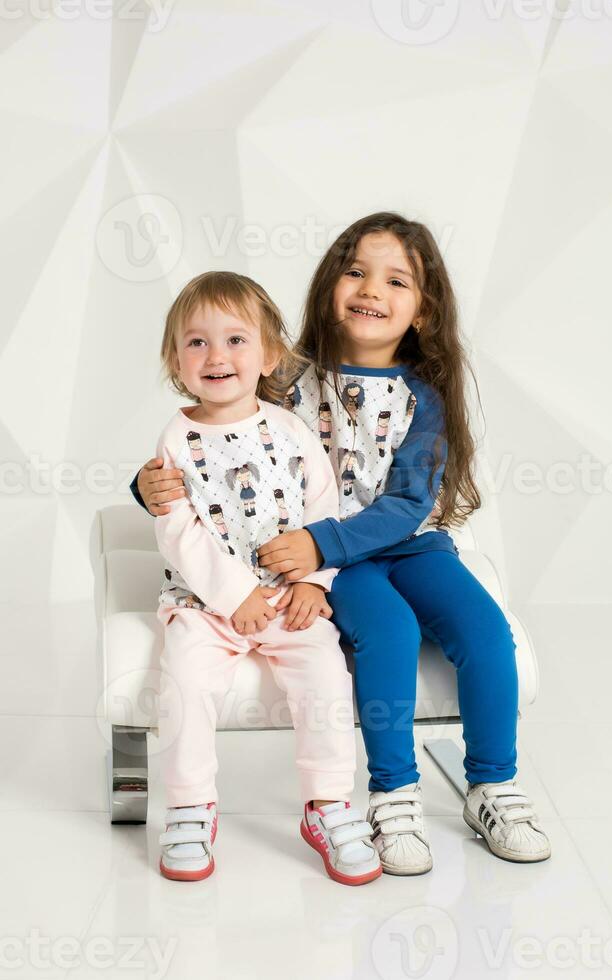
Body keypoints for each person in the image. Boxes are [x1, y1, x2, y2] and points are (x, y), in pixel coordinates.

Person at [132, 214, 551, 875]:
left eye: (396, 279)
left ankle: (493, 784)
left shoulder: (425, 398)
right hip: (332, 565)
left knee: (487, 632)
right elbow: (219, 433)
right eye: (355, 270)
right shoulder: (287, 375)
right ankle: (393, 795)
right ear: (331, 282)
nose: (370, 288)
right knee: (387, 635)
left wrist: (317, 544)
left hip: (396, 545)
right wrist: (148, 484)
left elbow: (410, 504)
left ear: (424, 306)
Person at [151, 270, 381, 885]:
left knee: (326, 677)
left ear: (268, 354)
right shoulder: (177, 439)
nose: (216, 356)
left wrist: (314, 583)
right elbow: (177, 527)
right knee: (185, 680)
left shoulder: (289, 431)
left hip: (286, 599)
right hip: (206, 603)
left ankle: (329, 804)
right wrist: (232, 595)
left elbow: (321, 507)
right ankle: (189, 805)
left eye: (234, 340)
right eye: (196, 342)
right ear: (176, 360)